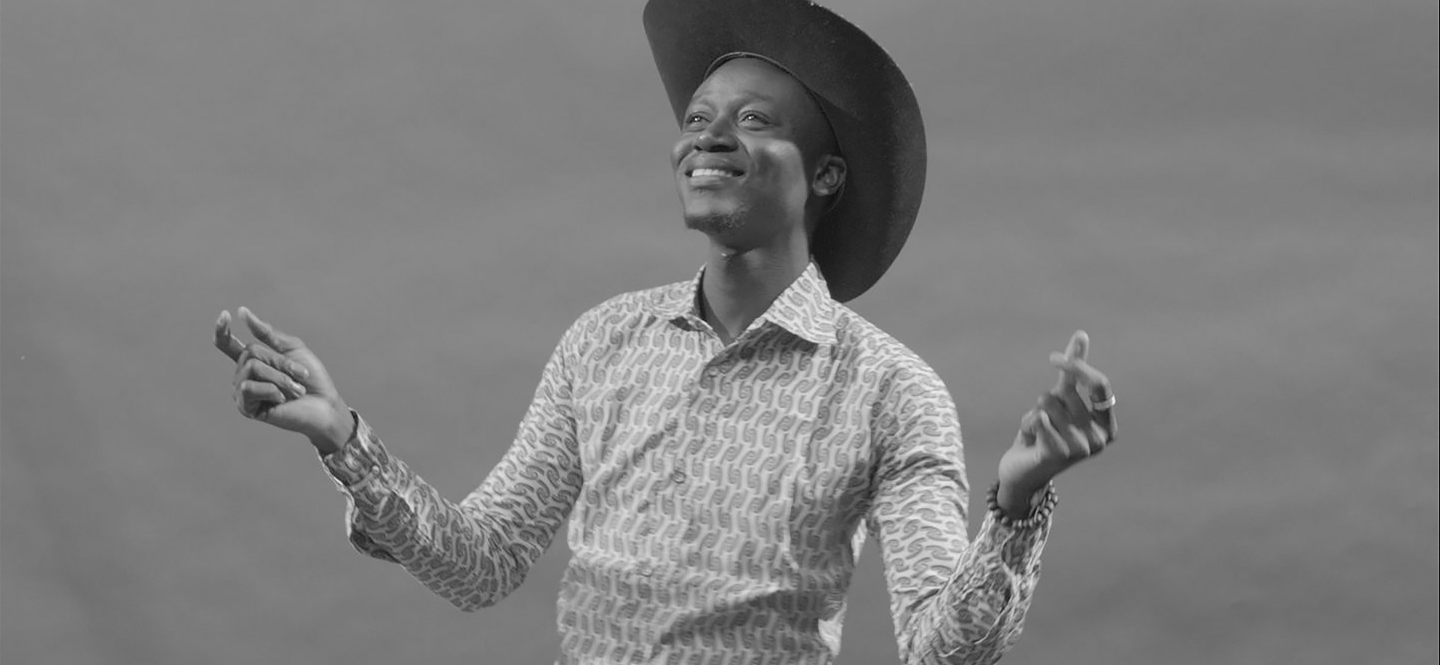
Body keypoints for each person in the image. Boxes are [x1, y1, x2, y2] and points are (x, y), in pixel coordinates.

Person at [212, 0, 1118, 663]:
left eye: (753, 120)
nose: (707, 138)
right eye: (695, 120)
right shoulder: (603, 342)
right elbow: (481, 564)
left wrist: (1018, 499)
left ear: (826, 175)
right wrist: (344, 439)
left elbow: (942, 649)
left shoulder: (890, 389)